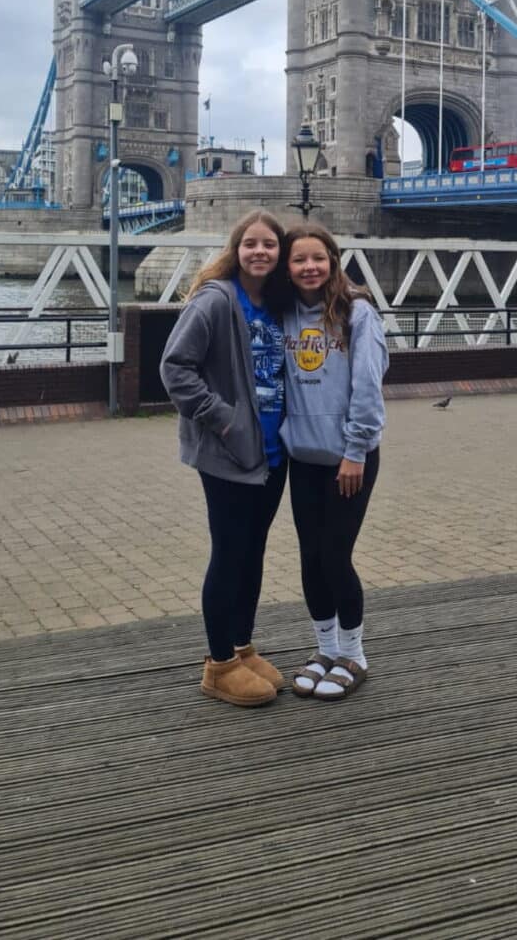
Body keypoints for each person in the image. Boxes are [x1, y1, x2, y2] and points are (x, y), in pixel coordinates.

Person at [159, 210, 287, 708]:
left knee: (253, 553)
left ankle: (242, 648)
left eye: (270, 245)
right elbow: (175, 368)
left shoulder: (278, 304)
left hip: (274, 453)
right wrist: (223, 418)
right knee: (229, 553)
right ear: (237, 249)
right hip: (228, 450)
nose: (261, 252)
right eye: (251, 244)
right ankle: (217, 665)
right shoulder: (215, 301)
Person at [276, 223, 389, 701]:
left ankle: (354, 655)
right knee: (309, 557)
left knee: (335, 556)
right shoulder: (281, 313)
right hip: (303, 456)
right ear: (288, 267)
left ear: (334, 261)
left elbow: (367, 385)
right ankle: (324, 650)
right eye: (299, 260)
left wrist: (355, 450)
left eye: (318, 258)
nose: (309, 267)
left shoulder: (357, 312)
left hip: (349, 459)